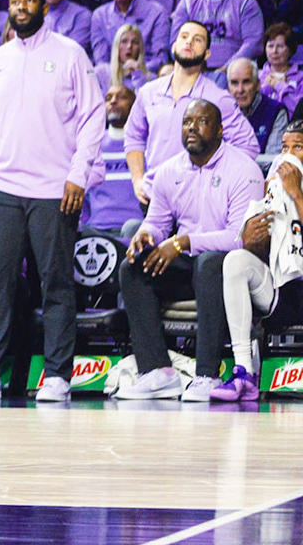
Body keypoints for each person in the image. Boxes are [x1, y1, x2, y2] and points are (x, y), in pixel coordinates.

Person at [0, 0, 103, 403]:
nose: (21, 7)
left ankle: (58, 376)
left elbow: (93, 117)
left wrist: (78, 174)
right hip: (4, 187)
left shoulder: (70, 54)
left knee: (56, 285)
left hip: (56, 188)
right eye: (15, 1)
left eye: (29, 0)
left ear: (43, 7)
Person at [114, 101, 262, 401]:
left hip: (228, 268)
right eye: (186, 122)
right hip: (187, 262)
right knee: (133, 268)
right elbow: (157, 222)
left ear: (219, 130)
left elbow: (240, 238)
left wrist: (183, 242)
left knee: (209, 264)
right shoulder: (170, 170)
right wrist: (146, 234)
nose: (192, 127)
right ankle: (157, 371)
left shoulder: (243, 169)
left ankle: (207, 375)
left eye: (202, 121)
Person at [124, 21, 258, 207]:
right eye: (184, 37)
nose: (189, 42)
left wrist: (216, 181)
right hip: (154, 197)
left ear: (207, 53)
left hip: (198, 201)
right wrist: (137, 179)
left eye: (198, 40)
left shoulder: (218, 98)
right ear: (174, 46)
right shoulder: (148, 92)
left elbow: (247, 146)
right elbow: (133, 136)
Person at [216, 130, 303, 402]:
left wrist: (297, 194)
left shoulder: (292, 190)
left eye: (298, 147)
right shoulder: (274, 189)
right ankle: (244, 372)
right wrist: (252, 238)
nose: (288, 155)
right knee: (236, 260)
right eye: (284, 147)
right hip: (284, 294)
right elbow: (260, 250)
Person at [227, 57, 290, 151]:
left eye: (246, 82)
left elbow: (272, 157)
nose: (240, 90)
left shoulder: (276, 111)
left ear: (257, 84)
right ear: (228, 86)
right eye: (234, 83)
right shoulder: (221, 112)